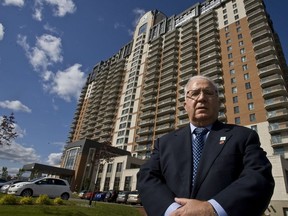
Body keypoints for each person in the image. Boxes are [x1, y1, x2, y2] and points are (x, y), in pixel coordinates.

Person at [137, 75, 274, 216]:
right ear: (185, 105)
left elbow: (259, 176)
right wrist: (172, 211)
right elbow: (147, 177)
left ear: (218, 103)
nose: (201, 98)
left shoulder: (243, 136)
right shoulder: (164, 143)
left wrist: (212, 209)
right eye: (194, 93)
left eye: (208, 93)